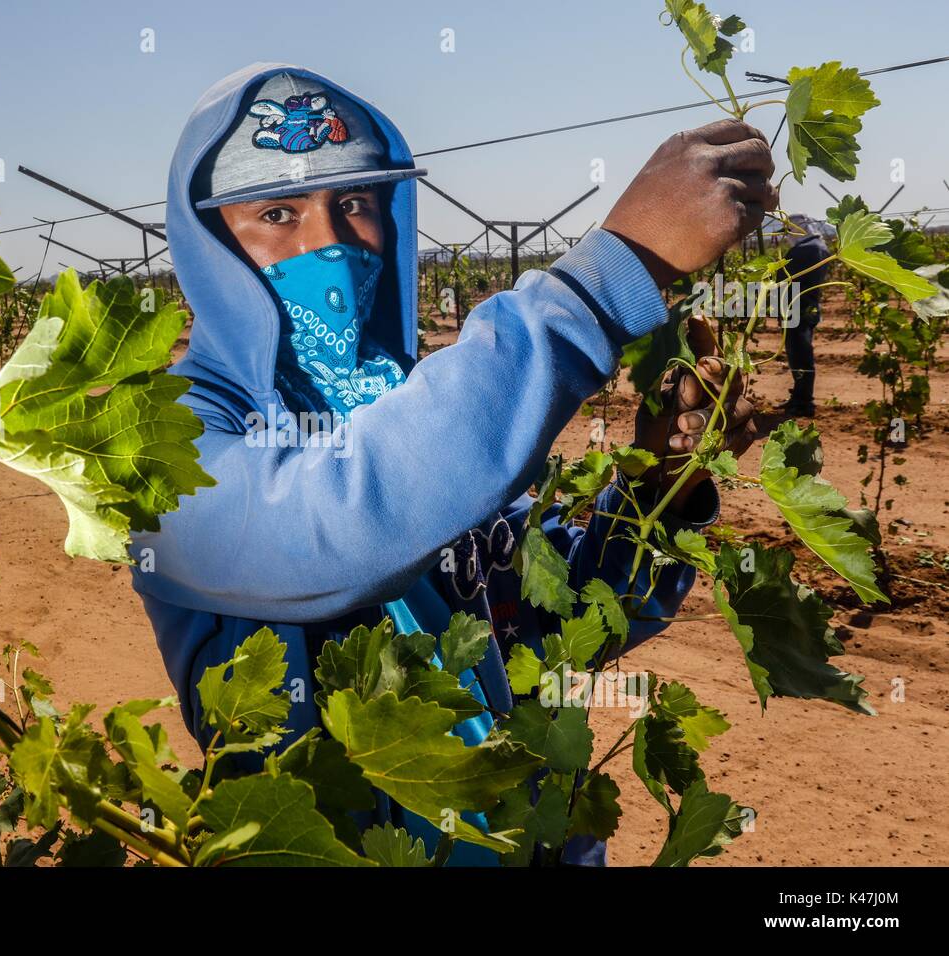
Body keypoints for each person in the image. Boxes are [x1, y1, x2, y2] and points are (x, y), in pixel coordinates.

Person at [129, 64, 768, 865]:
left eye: (356, 204)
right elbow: (343, 524)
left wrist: (658, 494)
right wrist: (607, 281)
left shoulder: (402, 403)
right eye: (278, 214)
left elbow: (541, 622)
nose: (327, 244)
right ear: (208, 245)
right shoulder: (168, 441)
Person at [779, 213, 830, 416]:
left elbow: (781, 277)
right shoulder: (819, 246)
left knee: (800, 356)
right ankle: (799, 397)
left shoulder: (807, 250)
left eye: (789, 229)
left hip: (798, 309)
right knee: (799, 355)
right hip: (804, 307)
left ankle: (803, 402)